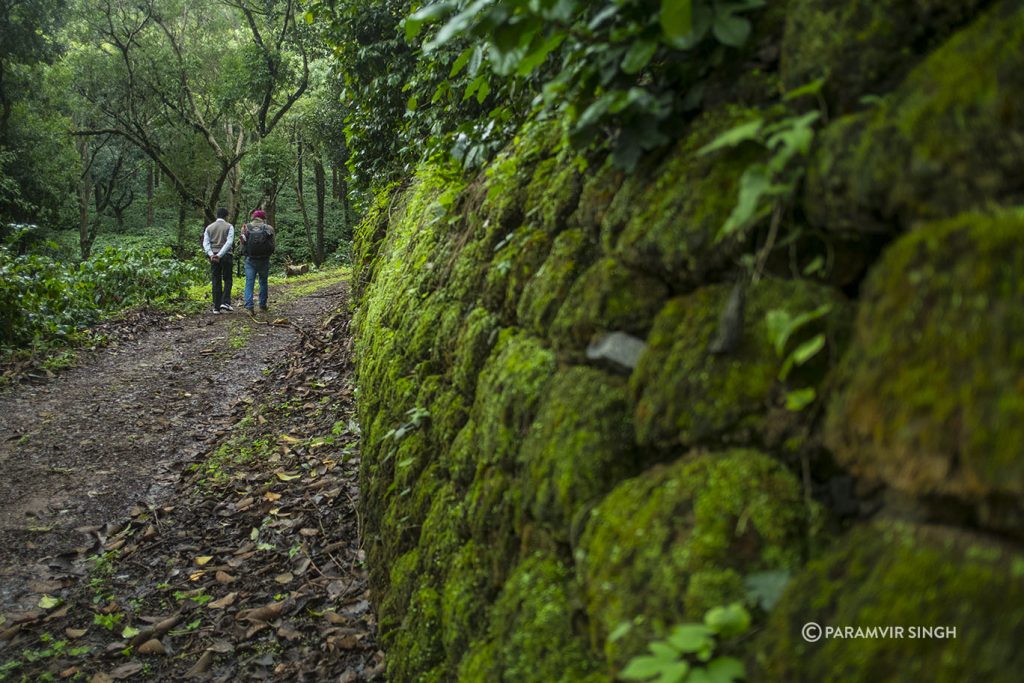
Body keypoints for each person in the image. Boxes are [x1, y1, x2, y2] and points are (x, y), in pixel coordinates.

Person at [241, 209, 275, 314]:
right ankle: (262, 305)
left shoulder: (246, 227)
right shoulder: (269, 228)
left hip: (250, 259)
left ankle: (249, 307)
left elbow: (243, 244)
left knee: (249, 282)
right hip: (264, 259)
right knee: (263, 282)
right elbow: (273, 244)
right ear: (263, 218)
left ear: (253, 217)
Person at [202, 207, 235, 314]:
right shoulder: (229, 226)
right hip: (226, 256)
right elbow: (229, 242)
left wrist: (212, 254)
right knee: (227, 279)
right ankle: (225, 302)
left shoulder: (209, 228)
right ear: (226, 216)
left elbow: (205, 243)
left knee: (216, 280)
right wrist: (220, 255)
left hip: (213, 256)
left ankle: (216, 306)